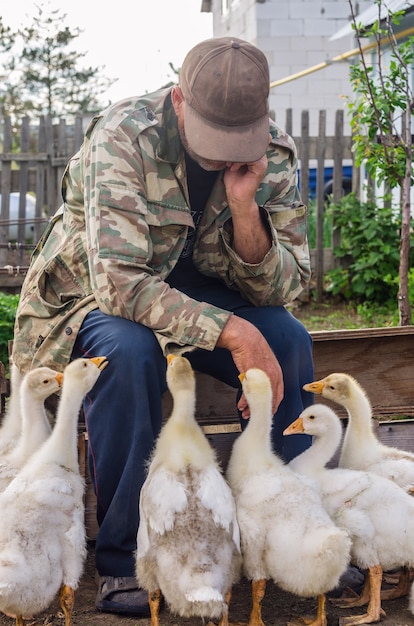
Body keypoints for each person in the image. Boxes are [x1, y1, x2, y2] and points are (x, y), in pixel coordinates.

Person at [12, 36, 315, 616]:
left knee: (288, 338)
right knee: (129, 354)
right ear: (179, 99)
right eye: (213, 139)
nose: (223, 153)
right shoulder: (124, 136)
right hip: (92, 295)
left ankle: (290, 534)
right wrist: (232, 332)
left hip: (197, 290)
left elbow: (284, 288)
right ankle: (125, 561)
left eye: (237, 138)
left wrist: (247, 209)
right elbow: (121, 285)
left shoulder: (271, 150)